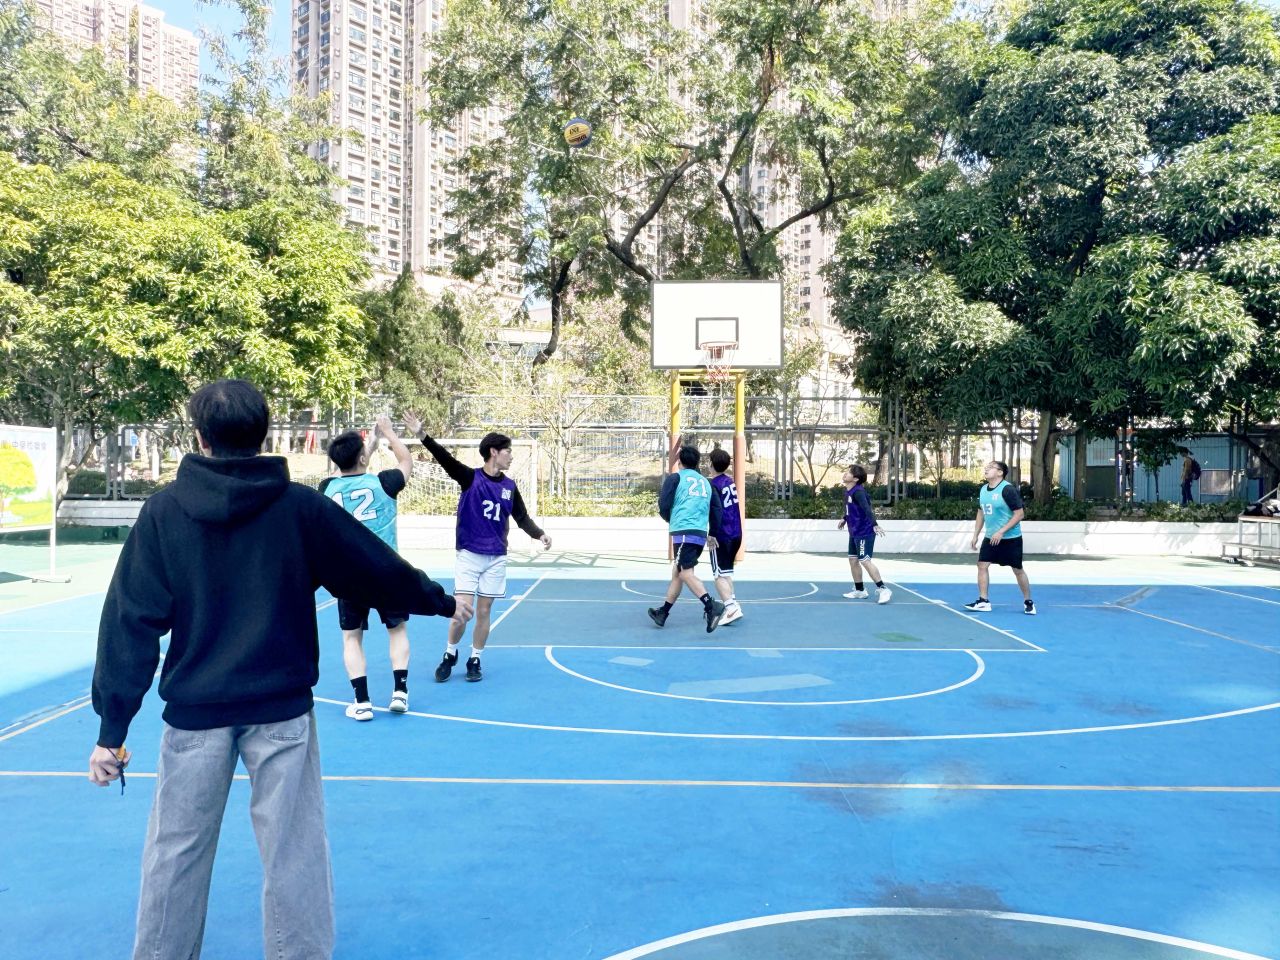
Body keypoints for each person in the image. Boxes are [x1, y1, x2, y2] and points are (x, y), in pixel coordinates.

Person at [88, 379, 472, 960]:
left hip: (195, 715)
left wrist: (111, 732)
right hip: (281, 713)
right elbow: (373, 568)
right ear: (264, 435)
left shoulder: (165, 512)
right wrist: (438, 601)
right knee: (295, 853)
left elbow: (129, 620)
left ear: (200, 437)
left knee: (175, 853)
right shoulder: (298, 509)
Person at [409, 414, 551, 683]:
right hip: (469, 555)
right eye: (508, 451)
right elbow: (445, 458)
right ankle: (450, 653)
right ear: (494, 452)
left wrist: (539, 534)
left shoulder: (509, 487)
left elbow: (521, 518)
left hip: (496, 557)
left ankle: (475, 658)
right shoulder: (469, 478)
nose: (511, 456)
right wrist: (422, 435)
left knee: (485, 612)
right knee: (462, 611)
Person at [319, 414, 414, 721]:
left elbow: (344, 470)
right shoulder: (384, 483)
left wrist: (366, 446)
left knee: (351, 637)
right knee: (397, 629)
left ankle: (362, 702)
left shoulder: (327, 488)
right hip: (388, 571)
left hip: (348, 575)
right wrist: (387, 433)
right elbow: (406, 461)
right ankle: (400, 692)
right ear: (363, 458)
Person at [648, 445, 727, 632]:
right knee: (678, 572)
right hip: (699, 532)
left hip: (683, 531)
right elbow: (717, 509)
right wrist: (712, 532)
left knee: (685, 573)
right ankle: (663, 612)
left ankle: (711, 606)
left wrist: (672, 519)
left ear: (680, 461)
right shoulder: (706, 483)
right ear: (698, 462)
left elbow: (664, 504)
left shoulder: (676, 478)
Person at [964, 460, 1035, 615]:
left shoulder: (1007, 490)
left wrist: (1001, 531)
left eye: (991, 467)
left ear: (1000, 472)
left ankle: (1028, 601)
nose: (986, 469)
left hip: (1011, 538)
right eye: (986, 467)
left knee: (1018, 570)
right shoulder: (983, 489)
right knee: (982, 565)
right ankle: (983, 601)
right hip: (991, 537)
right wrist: (975, 535)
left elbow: (1019, 514)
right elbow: (981, 513)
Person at [837, 464, 891, 603]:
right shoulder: (848, 491)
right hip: (854, 532)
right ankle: (860, 590)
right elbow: (850, 509)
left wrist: (875, 524)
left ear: (855, 479)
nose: (845, 474)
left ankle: (883, 589)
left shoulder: (858, 492)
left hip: (864, 531)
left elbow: (867, 509)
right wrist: (844, 518)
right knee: (853, 560)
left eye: (849, 472)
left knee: (865, 561)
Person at [708, 449, 744, 625]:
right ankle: (734, 603)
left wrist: (712, 534)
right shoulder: (730, 481)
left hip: (722, 535)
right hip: (736, 533)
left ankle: (730, 608)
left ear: (711, 464)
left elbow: (716, 511)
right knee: (727, 572)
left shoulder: (713, 485)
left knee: (718, 575)